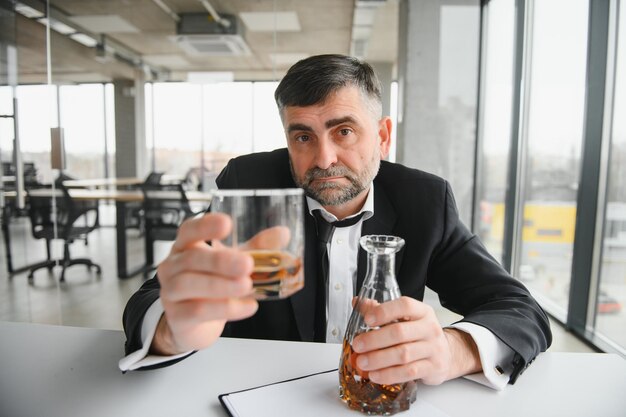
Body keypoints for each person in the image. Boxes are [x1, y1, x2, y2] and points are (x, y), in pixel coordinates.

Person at [119, 54, 551, 389]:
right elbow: (159, 294)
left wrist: (452, 350)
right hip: (254, 393)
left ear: (381, 136)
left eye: (344, 131)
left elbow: (519, 309)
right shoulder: (246, 183)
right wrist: (171, 330)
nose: (323, 159)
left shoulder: (425, 199)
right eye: (303, 136)